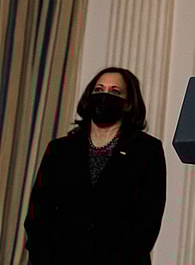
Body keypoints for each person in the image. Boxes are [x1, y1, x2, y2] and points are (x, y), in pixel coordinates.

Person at [24, 67, 167, 265]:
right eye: (99, 90)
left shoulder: (147, 151)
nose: (105, 96)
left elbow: (147, 222)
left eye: (115, 92)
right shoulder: (60, 150)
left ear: (129, 103)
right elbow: (38, 214)